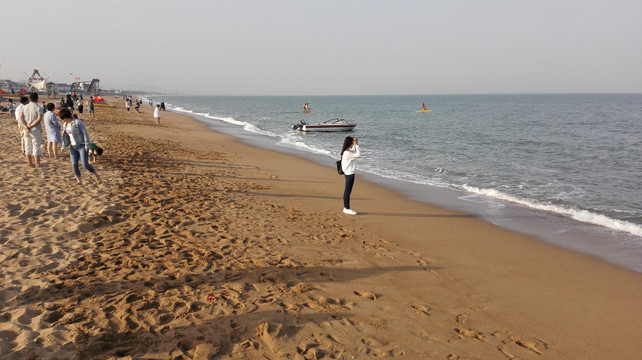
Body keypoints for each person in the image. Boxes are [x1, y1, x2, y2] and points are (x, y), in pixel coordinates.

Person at [59, 108, 101, 185]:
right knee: (74, 164)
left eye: (62, 118)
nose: (62, 120)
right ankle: (79, 180)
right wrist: (63, 146)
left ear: (65, 118)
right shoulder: (65, 125)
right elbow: (65, 137)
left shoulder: (77, 122)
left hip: (82, 145)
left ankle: (96, 175)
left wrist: (87, 145)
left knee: (85, 164)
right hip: (73, 146)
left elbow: (85, 133)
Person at [340, 136, 361, 215]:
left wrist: (356, 144)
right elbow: (358, 155)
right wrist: (356, 145)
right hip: (349, 174)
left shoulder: (347, 151)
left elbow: (355, 152)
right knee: (347, 192)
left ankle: (346, 207)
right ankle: (346, 208)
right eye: (352, 142)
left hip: (348, 173)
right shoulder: (347, 153)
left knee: (347, 191)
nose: (353, 143)